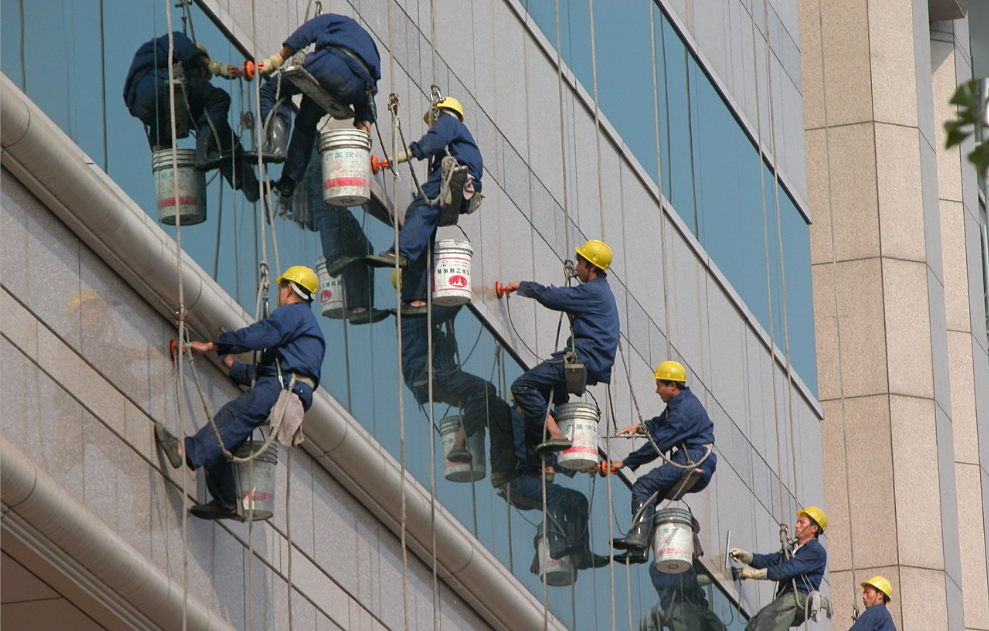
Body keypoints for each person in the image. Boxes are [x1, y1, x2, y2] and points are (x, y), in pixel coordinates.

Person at [154, 266, 326, 520]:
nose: (279, 294)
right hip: (285, 391)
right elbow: (275, 372)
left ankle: (185, 452)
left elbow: (261, 335)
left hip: (278, 390)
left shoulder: (294, 314)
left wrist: (213, 345)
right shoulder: (308, 328)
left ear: (288, 288)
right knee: (225, 442)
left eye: (281, 288)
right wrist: (233, 366)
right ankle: (226, 501)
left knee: (231, 416)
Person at [502, 240, 619, 454]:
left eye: (580, 263)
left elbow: (553, 297)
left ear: (591, 267)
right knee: (548, 396)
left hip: (583, 357)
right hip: (593, 363)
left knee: (522, 387)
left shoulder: (592, 292)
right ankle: (545, 457)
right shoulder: (602, 292)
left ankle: (556, 434)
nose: (576, 268)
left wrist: (523, 286)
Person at [367, 96, 482, 315]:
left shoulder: (449, 123)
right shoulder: (462, 140)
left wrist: (407, 154)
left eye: (432, 120)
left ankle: (400, 253)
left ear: (439, 113)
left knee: (420, 209)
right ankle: (417, 297)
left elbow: (434, 140)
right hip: (463, 185)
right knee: (425, 228)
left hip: (454, 175)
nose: (431, 124)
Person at [123, 32, 259, 201]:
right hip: (155, 82)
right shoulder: (173, 44)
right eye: (200, 77)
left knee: (208, 123)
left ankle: (245, 182)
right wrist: (213, 66)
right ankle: (205, 152)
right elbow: (182, 46)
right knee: (218, 98)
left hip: (142, 106)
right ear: (195, 65)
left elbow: (219, 128)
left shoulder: (161, 72)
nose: (201, 83)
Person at [258, 13, 381, 199]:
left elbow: (305, 33)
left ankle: (276, 144)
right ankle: (289, 182)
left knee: (271, 91)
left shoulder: (335, 20)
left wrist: (276, 60)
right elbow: (366, 114)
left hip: (330, 64)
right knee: (306, 124)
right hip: (355, 88)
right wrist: (357, 151)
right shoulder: (368, 48)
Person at [606, 360, 717, 564]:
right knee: (650, 497)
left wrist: (627, 462)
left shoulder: (685, 410)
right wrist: (639, 427)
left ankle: (638, 538)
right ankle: (640, 548)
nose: (657, 390)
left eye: (659, 385)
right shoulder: (679, 405)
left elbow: (660, 443)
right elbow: (659, 425)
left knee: (643, 486)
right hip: (694, 457)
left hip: (693, 458)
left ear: (672, 385)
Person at [399, 301, 509, 462]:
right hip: (432, 374)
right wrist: (462, 292)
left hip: (438, 374)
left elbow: (445, 315)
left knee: (500, 411)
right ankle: (460, 443)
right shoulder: (409, 313)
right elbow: (444, 311)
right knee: (484, 389)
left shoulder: (421, 320)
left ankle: (501, 472)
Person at [730, 506, 829, 631]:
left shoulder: (816, 551)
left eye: (801, 522)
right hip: (787, 597)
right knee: (754, 624)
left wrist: (754, 574)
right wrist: (747, 557)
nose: (796, 525)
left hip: (799, 596)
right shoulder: (792, 549)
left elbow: (787, 569)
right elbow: (771, 560)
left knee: (765, 621)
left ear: (814, 528)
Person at [641, 559, 727, 631]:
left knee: (718, 627)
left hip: (699, 607)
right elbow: (678, 582)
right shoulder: (658, 565)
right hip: (679, 607)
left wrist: (716, 561)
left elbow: (702, 570)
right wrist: (717, 577)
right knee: (692, 622)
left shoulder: (689, 561)